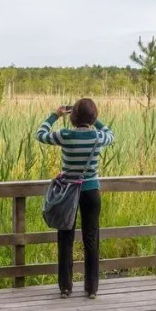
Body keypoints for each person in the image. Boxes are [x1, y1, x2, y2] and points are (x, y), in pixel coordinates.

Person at [35, 98, 114, 299]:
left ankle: (65, 288)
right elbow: (110, 134)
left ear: (73, 116)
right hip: (90, 192)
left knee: (65, 238)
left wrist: (56, 115)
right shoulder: (98, 136)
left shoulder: (65, 134)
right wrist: (95, 120)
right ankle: (91, 289)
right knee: (91, 239)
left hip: (67, 193)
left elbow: (40, 135)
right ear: (93, 116)